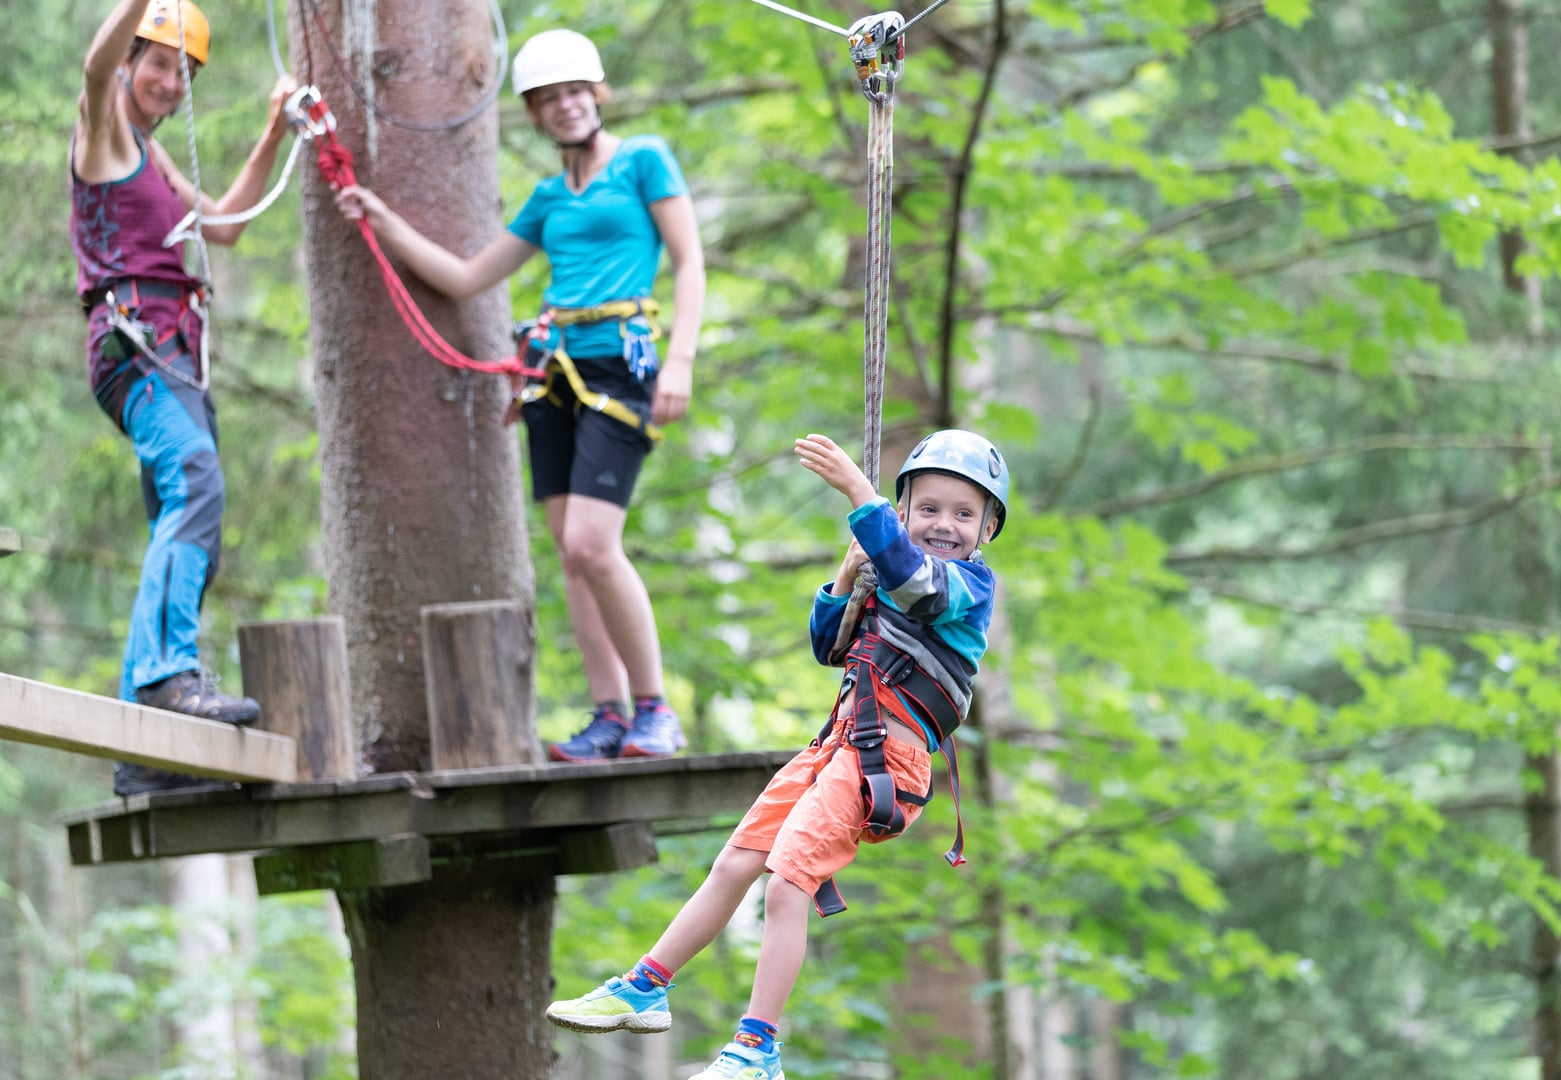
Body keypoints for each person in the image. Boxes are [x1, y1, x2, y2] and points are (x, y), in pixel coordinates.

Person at [544, 429, 1010, 1080]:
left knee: (790, 883)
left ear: (987, 530)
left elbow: (919, 587)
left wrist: (859, 493)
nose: (944, 525)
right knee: (737, 859)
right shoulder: (893, 566)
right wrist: (845, 577)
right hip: (840, 746)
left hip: (883, 764)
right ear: (906, 513)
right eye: (927, 509)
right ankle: (645, 986)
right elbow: (830, 646)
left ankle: (758, 1049)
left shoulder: (968, 588)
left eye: (963, 515)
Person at [334, 28, 705, 763]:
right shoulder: (546, 197)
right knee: (571, 555)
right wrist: (381, 220)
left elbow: (690, 262)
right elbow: (469, 276)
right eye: (547, 99)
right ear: (534, 114)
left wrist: (681, 362)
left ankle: (655, 708)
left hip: (619, 369)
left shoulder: (643, 161)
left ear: (597, 93)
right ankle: (608, 716)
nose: (565, 107)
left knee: (596, 546)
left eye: (575, 92)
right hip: (552, 373)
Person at [72, 0, 297, 795]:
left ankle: (150, 747)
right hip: (134, 346)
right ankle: (167, 674)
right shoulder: (102, 135)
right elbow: (95, 69)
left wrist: (275, 129)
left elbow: (226, 225)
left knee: (191, 510)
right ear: (133, 62)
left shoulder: (155, 161)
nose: (170, 82)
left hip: (172, 353)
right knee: (196, 480)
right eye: (159, 64)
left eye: (183, 72)